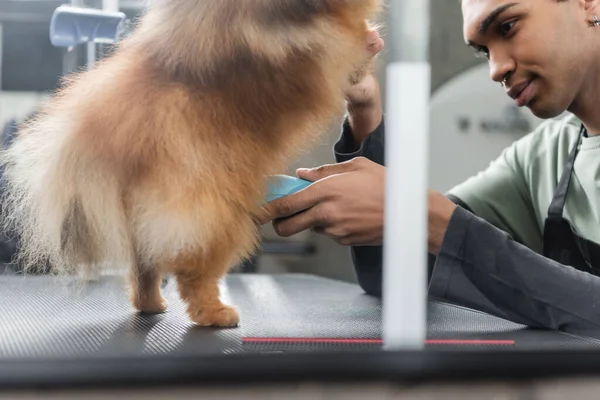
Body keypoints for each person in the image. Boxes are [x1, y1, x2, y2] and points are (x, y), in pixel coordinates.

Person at [260, 0, 600, 337]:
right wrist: (364, 109)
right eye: (484, 51)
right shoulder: (541, 157)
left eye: (508, 26)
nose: (495, 69)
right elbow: (397, 276)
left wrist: (424, 217)